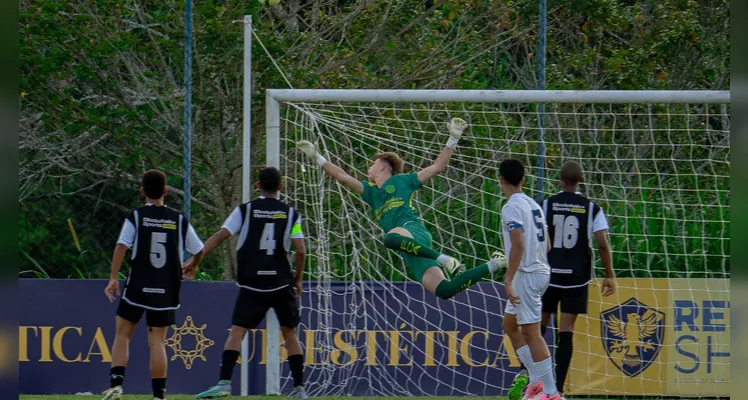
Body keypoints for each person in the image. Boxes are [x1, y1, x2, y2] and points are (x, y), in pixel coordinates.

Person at [295, 118, 504, 300]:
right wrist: (317, 158)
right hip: (409, 249)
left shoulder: (404, 181)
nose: (369, 167)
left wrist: (453, 139)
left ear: (382, 166)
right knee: (445, 290)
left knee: (390, 239)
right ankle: (495, 264)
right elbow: (342, 176)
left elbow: (438, 166)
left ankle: (444, 258)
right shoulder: (370, 192)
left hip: (412, 230)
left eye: (373, 163)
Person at [192, 167, 308, 399]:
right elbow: (301, 249)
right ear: (281, 187)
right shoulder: (292, 215)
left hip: (252, 283)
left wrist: (196, 258)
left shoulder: (245, 211)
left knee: (236, 333)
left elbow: (222, 235)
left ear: (257, 186)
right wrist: (297, 280)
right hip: (280, 283)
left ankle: (224, 383)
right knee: (290, 334)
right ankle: (299, 389)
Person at [102, 169, 206, 400]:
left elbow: (121, 246)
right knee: (157, 341)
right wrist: (193, 264)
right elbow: (199, 249)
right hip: (166, 287)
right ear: (166, 192)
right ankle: (159, 396)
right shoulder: (178, 219)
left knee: (122, 334)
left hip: (138, 285)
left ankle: (117, 385)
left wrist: (112, 278)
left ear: (142, 192)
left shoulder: (137, 216)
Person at [540, 161, 615, 396]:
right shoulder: (592, 208)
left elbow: (538, 237)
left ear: (560, 180)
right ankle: (557, 391)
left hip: (548, 275)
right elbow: (602, 244)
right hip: (577, 278)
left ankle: (533, 384)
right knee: (567, 330)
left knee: (538, 327)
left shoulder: (547, 204)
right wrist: (609, 275)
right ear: (580, 180)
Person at [498, 159, 560, 400]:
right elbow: (548, 244)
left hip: (527, 275)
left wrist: (509, 278)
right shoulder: (533, 204)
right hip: (539, 270)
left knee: (532, 333)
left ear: (500, 180)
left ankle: (552, 393)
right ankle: (536, 383)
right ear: (523, 180)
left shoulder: (510, 207)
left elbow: (518, 244)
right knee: (510, 325)